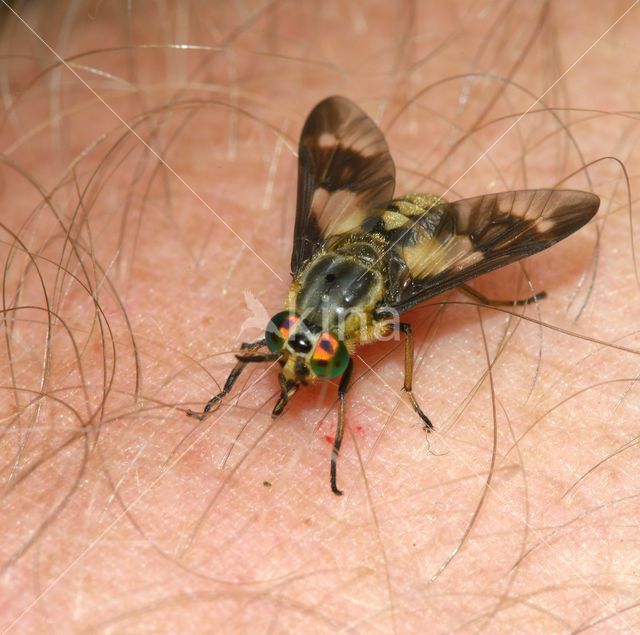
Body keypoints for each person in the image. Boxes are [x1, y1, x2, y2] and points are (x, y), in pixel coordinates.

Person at [1, 1, 637, 631]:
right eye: (292, 341)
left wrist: (415, 385)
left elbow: (404, 325)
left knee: (451, 285)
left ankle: (493, 302)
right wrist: (241, 381)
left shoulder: (379, 311)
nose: (296, 350)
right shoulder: (298, 317)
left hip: (407, 253)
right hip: (353, 241)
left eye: (302, 346)